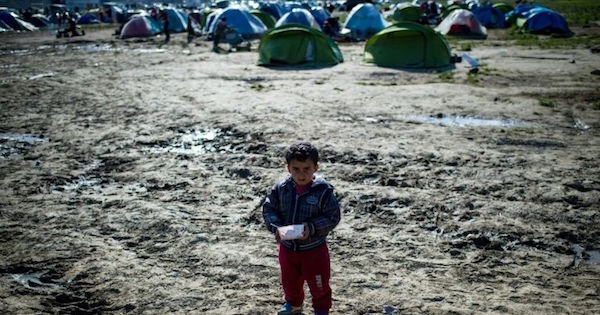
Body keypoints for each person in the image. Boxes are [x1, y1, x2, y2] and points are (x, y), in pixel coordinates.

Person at [263, 142, 341, 315]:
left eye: (306, 168)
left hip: (314, 250)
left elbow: (333, 216)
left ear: (316, 167)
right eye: (296, 169)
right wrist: (276, 227)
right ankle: (293, 304)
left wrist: (312, 227)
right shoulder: (281, 189)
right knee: (289, 281)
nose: (301, 174)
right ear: (288, 168)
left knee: (319, 284)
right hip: (288, 248)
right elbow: (269, 209)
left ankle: (321, 310)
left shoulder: (323, 191)